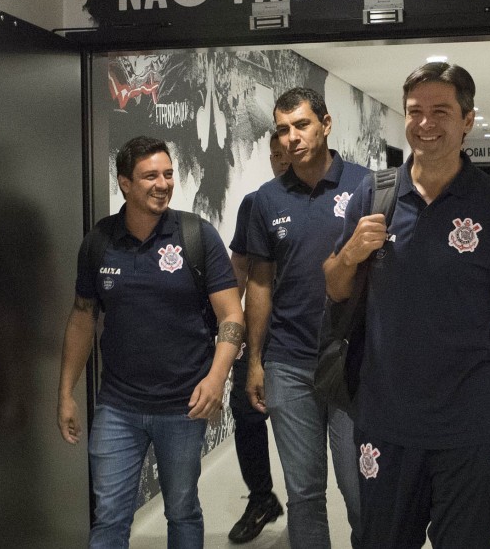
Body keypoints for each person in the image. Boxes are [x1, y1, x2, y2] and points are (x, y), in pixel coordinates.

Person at [324, 62, 490, 548]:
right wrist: (350, 253)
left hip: (470, 429)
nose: (425, 124)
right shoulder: (373, 193)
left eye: (441, 112)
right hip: (385, 424)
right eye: (415, 112)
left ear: (468, 120)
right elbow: (335, 286)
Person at [57, 136, 244, 549]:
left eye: (168, 174)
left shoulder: (196, 235)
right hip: (117, 406)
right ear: (125, 183)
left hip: (184, 405)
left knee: (181, 511)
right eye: (150, 176)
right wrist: (66, 392)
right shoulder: (99, 241)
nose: (163, 183)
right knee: (109, 518)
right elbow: (83, 315)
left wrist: (216, 379)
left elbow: (232, 315)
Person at [245, 87, 367, 548]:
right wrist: (255, 360)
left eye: (301, 125)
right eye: (282, 129)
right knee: (304, 496)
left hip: (354, 360)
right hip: (289, 365)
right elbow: (259, 282)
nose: (292, 137)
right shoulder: (266, 200)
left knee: (361, 493)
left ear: (326, 124)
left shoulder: (366, 184)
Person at [224, 131, 289, 543]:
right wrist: (229, 332)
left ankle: (309, 504)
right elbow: (238, 270)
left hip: (315, 337)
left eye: (288, 153)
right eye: (275, 154)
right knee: (247, 414)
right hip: (261, 333)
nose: (282, 160)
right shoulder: (255, 203)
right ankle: (262, 498)